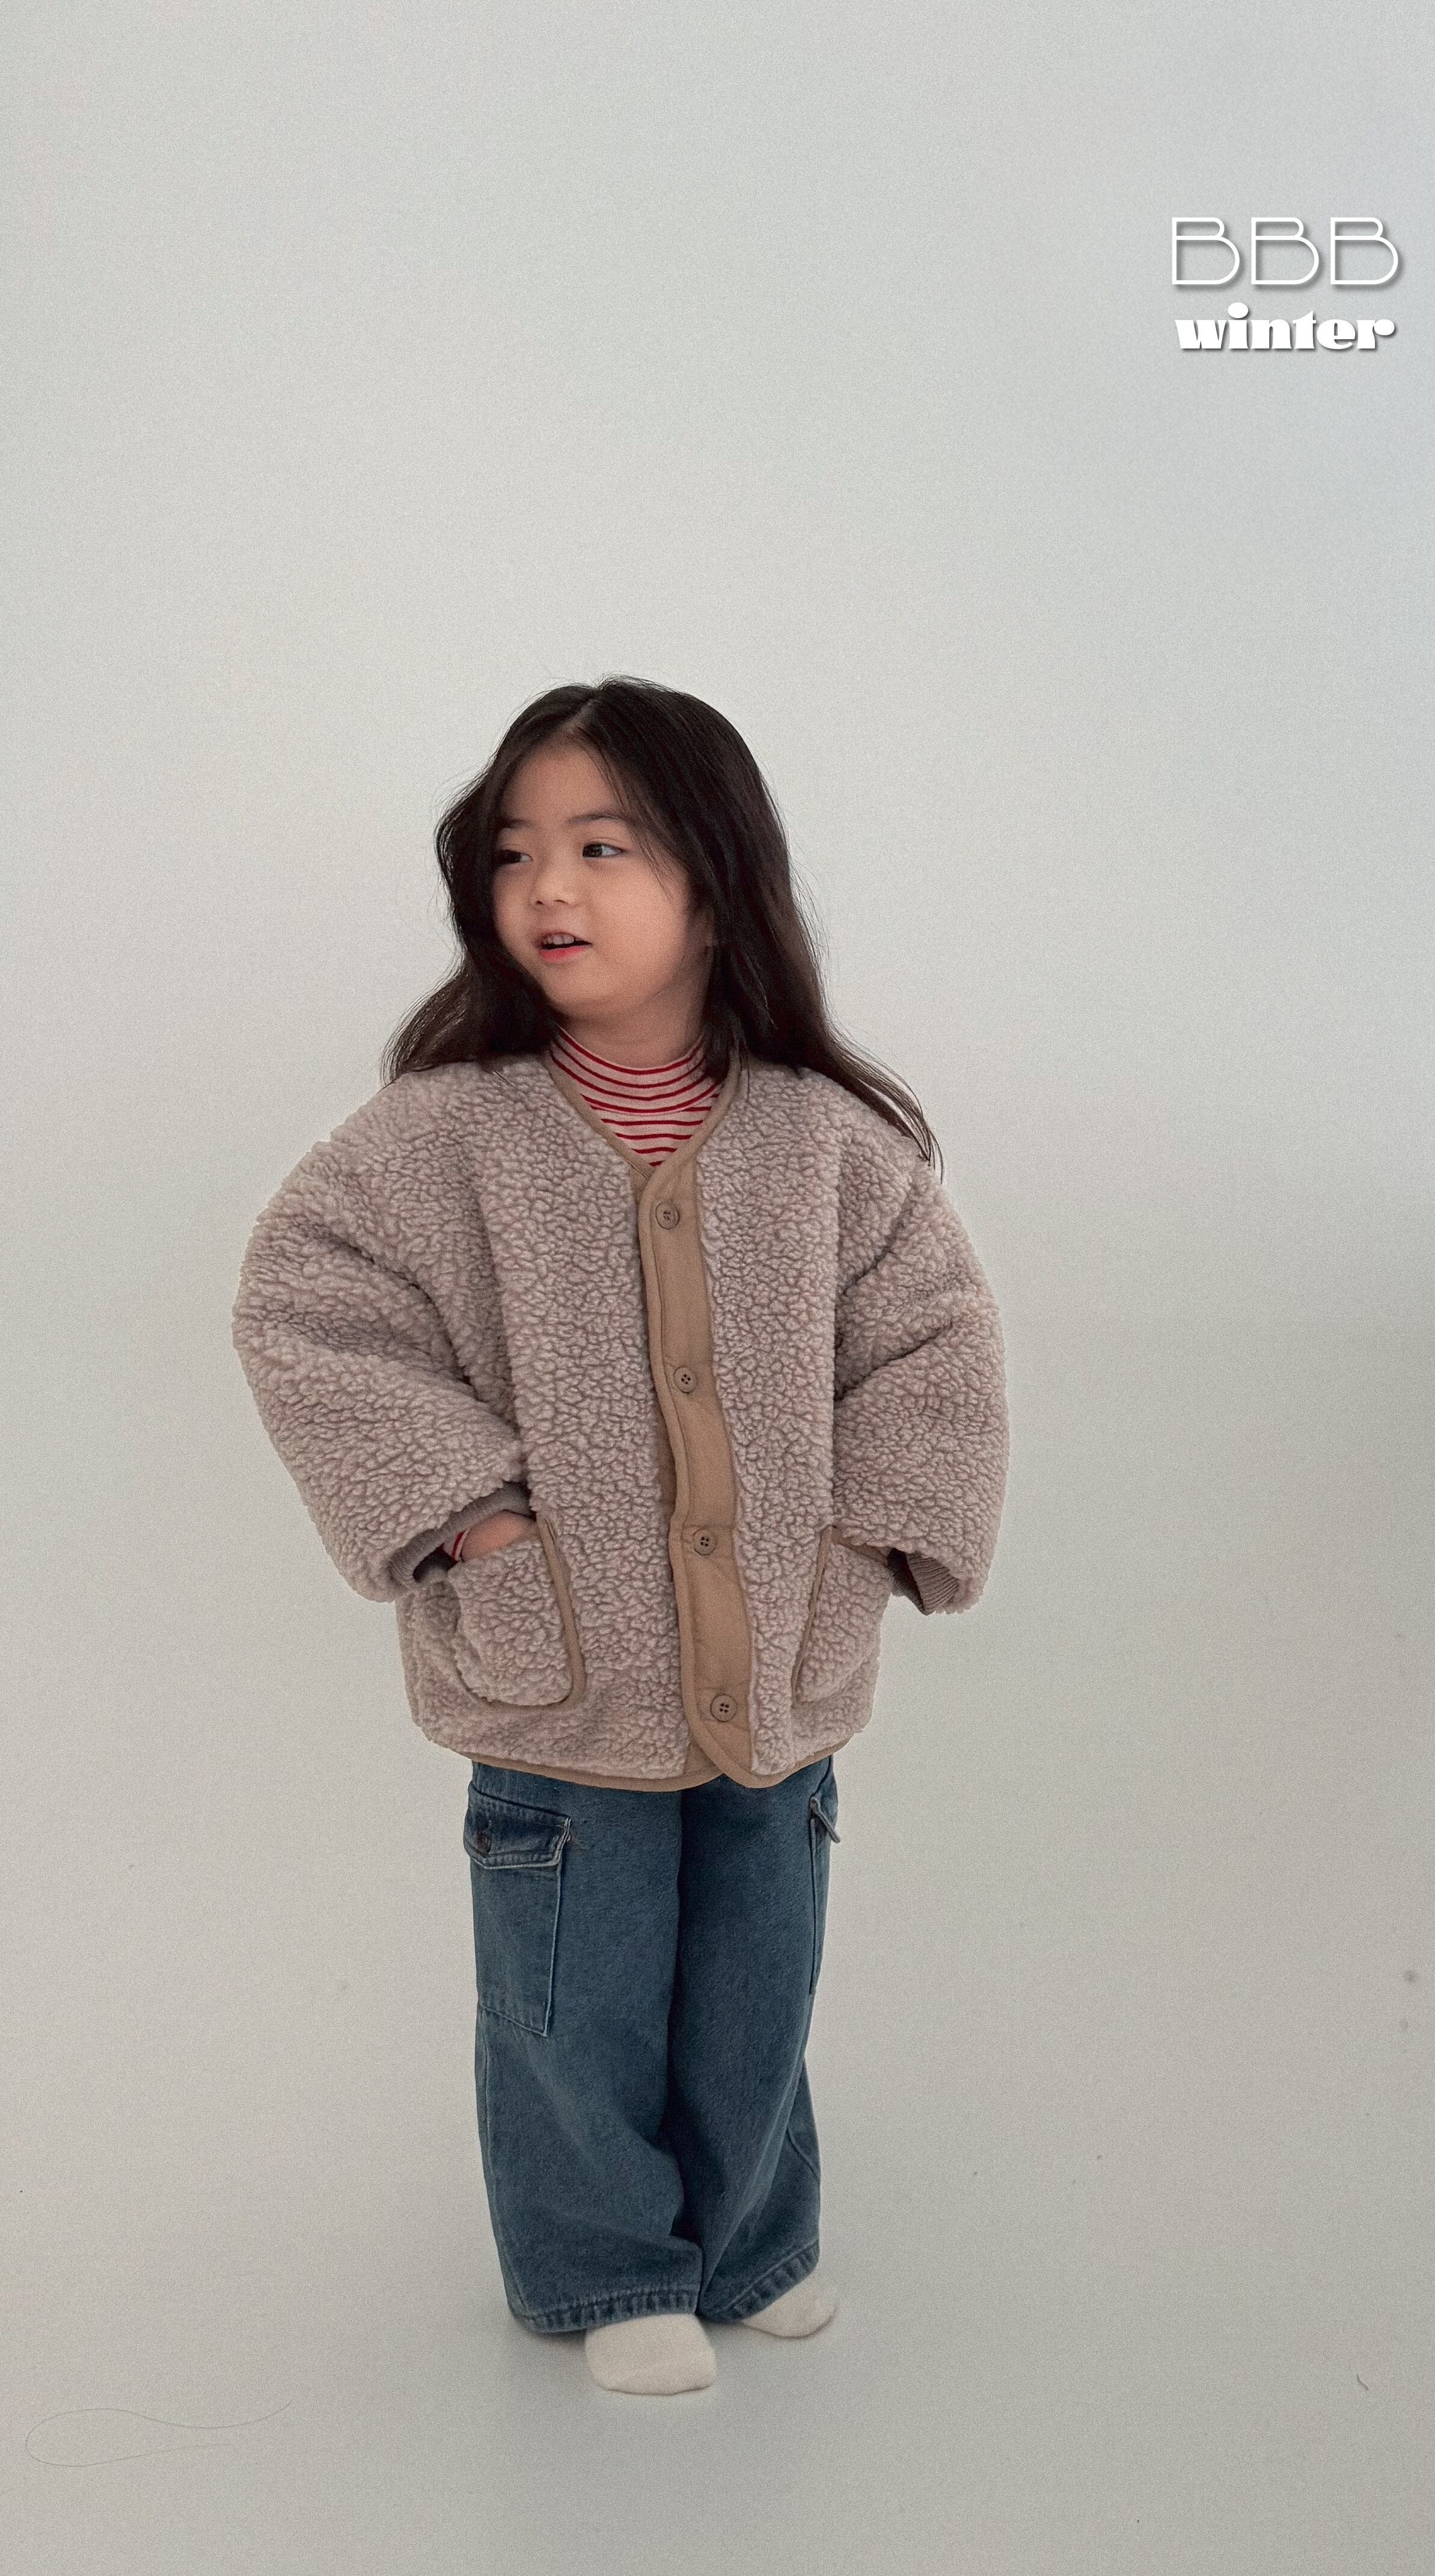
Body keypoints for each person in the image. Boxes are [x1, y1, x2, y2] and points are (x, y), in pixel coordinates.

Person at [231, 676, 1008, 2396]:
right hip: (557, 1668)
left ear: (716, 883)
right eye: (514, 852)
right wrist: (471, 1521)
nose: (547, 889)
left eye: (601, 846)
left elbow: (933, 1348)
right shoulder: (445, 1133)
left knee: (757, 1982)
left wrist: (869, 1547)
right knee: (571, 1998)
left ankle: (751, 2240)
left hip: (778, 1670)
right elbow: (308, 1305)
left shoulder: (828, 1143)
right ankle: (603, 2269)